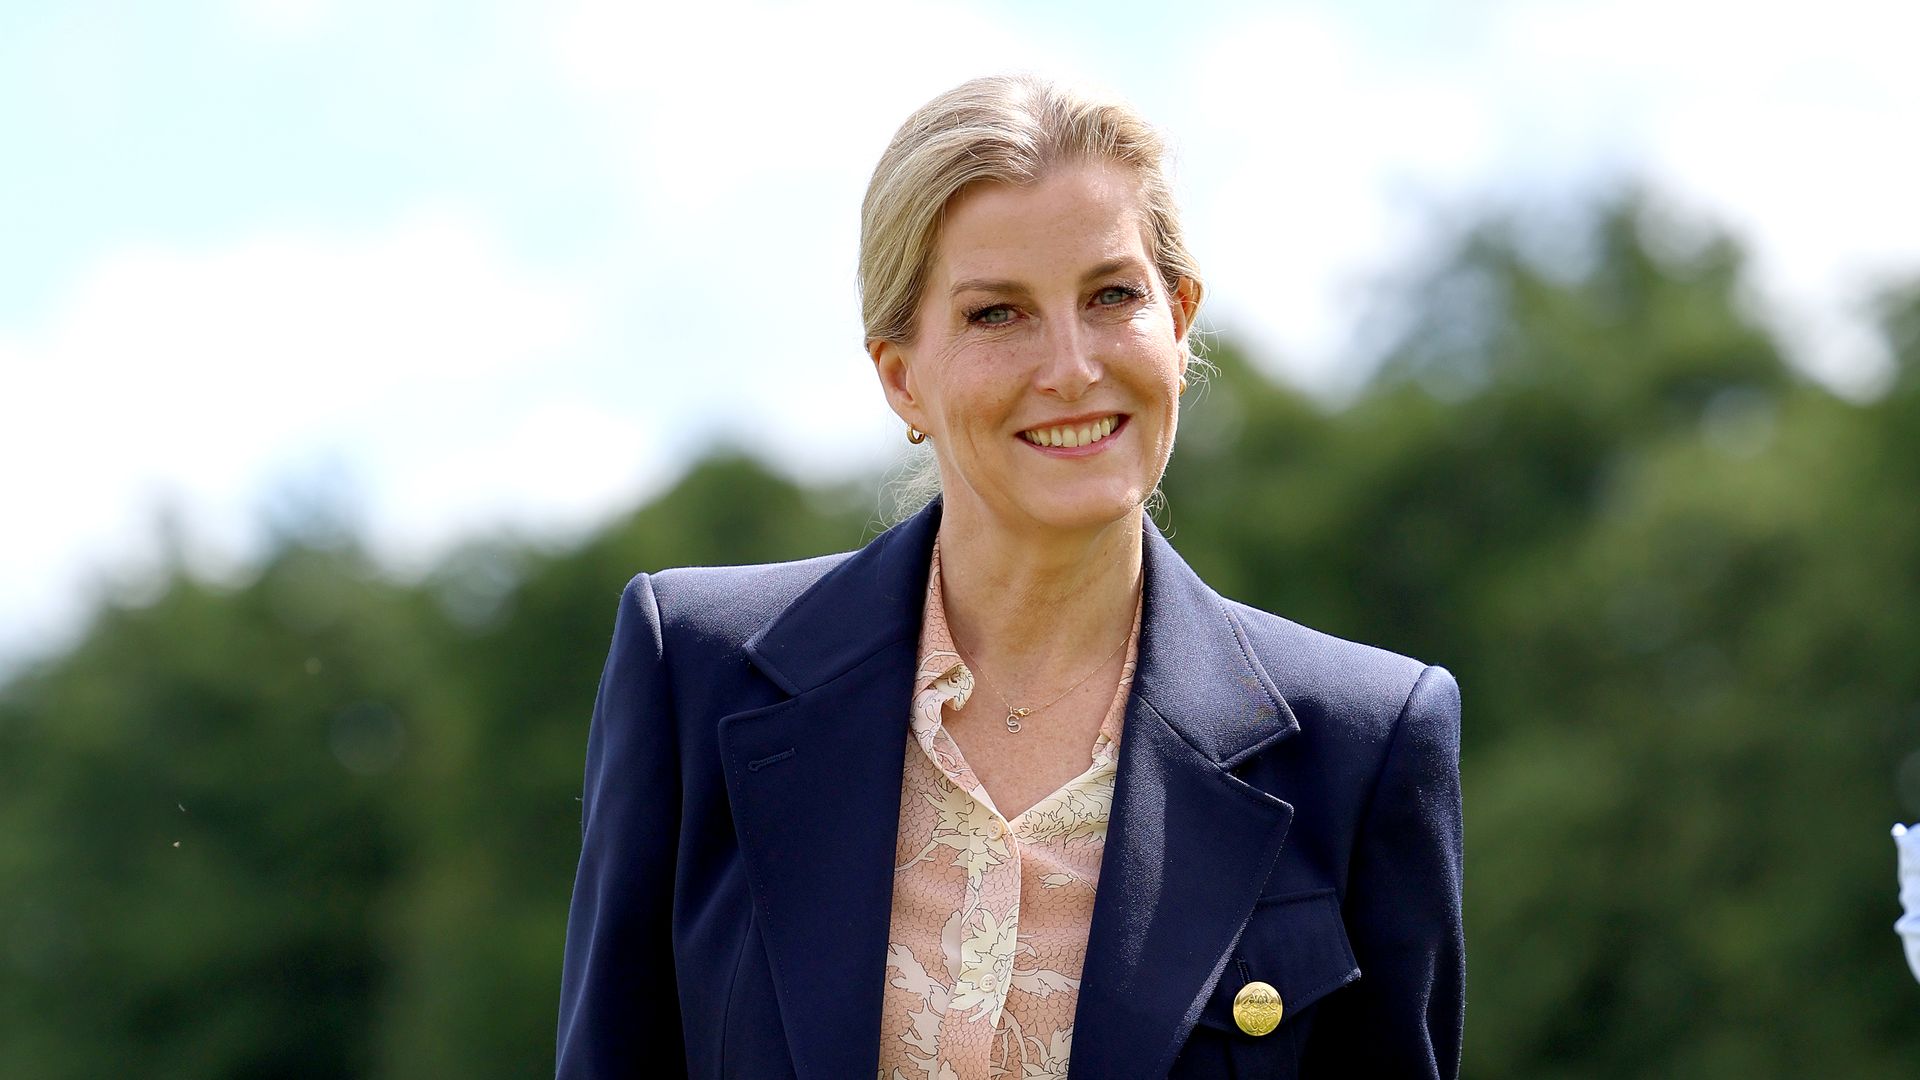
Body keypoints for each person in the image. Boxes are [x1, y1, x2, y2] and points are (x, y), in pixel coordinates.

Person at [556, 73, 1464, 1080]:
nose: (1072, 367)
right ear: (901, 374)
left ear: (1181, 317)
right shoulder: (693, 671)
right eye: (998, 315)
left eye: (1112, 296)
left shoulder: (1365, 743)